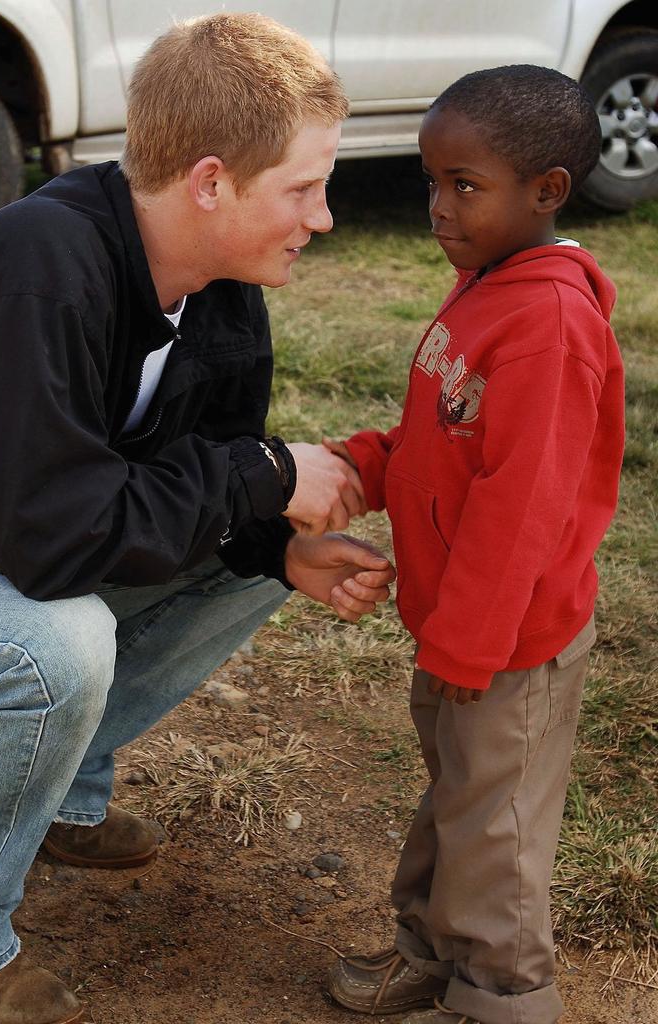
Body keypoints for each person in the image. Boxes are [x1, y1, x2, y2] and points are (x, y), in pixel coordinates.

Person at [0, 14, 395, 1024]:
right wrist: (260, 472)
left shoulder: (220, 286)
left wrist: (277, 550)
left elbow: (188, 480)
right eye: (304, 188)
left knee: (256, 543)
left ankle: (58, 792)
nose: (326, 216)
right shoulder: (41, 264)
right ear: (210, 182)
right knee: (54, 642)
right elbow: (54, 541)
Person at [324, 65, 625, 1024]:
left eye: (465, 184)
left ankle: (500, 996)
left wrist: (469, 640)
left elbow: (522, 508)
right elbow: (441, 443)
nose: (437, 207)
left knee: (496, 830)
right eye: (431, 180)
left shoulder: (548, 324)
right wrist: (362, 470)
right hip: (460, 628)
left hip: (508, 643)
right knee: (459, 797)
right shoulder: (488, 288)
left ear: (547, 192)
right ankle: (428, 951)